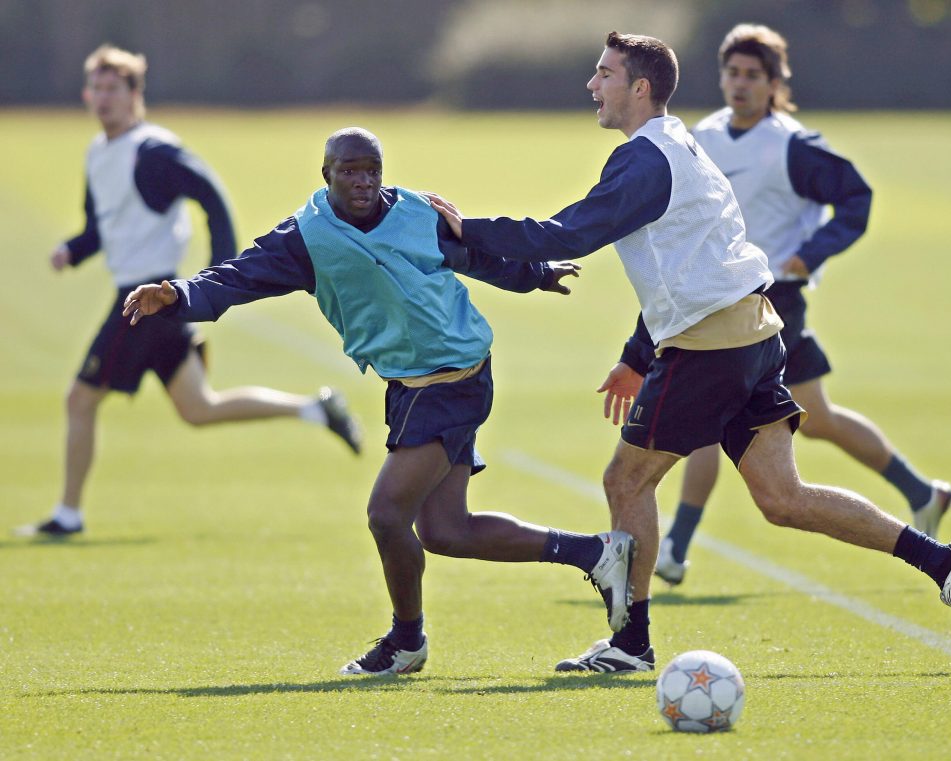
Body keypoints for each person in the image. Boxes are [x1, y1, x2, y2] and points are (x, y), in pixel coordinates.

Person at [428, 31, 951, 672]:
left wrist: (465, 227)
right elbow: (688, 261)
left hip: (710, 349)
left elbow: (569, 233)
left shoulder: (643, 160)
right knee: (784, 498)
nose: (593, 85)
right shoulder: (680, 143)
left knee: (626, 479)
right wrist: (638, 355)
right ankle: (946, 563)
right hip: (752, 334)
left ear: (639, 88)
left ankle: (631, 644)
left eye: (604, 74)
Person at [122, 127, 636, 676]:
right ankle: (596, 553)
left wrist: (535, 275)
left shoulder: (417, 213)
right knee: (446, 531)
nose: (364, 180)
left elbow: (477, 255)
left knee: (386, 515)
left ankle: (405, 641)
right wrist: (179, 294)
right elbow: (240, 276)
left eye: (372, 169)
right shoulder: (306, 236)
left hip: (454, 380)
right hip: (409, 385)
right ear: (327, 174)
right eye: (350, 170)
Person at [14, 45, 362, 539]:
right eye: (97, 88)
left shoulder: (153, 150)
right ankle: (314, 408)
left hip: (146, 299)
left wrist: (219, 272)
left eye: (115, 88)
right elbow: (101, 226)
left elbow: (212, 195)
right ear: (86, 94)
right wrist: (73, 250)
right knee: (199, 409)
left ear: (136, 95)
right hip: (160, 301)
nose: (103, 98)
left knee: (79, 399)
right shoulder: (99, 153)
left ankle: (68, 515)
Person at [654, 23, 951, 588]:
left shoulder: (792, 146)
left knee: (706, 413)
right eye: (732, 72)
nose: (739, 84)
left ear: (774, 83)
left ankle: (674, 548)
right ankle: (924, 493)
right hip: (717, 297)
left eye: (753, 75)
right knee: (816, 417)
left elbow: (855, 200)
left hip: (771, 301)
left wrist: (809, 254)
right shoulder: (704, 137)